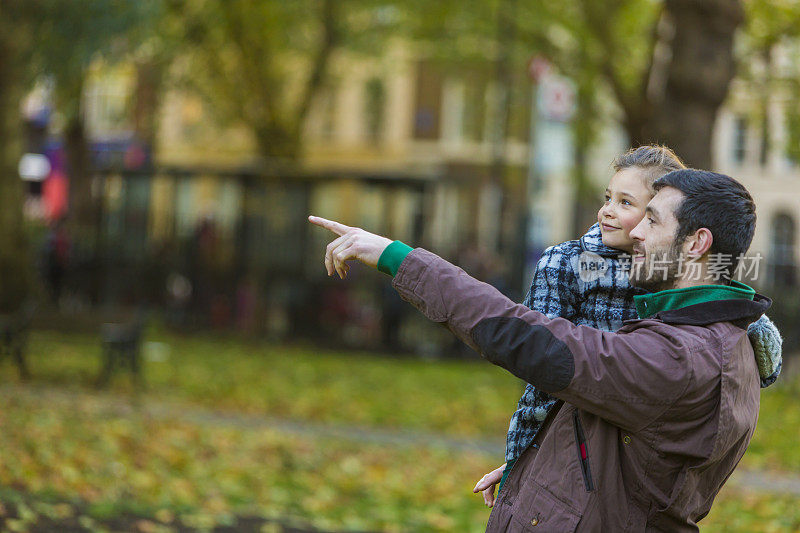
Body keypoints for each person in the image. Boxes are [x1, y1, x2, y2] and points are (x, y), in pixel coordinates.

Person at [308, 168, 776, 531]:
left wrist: (397, 257)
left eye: (652, 219)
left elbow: (526, 338)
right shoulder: (704, 335)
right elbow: (623, 446)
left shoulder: (678, 358)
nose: (634, 231)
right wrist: (539, 468)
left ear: (697, 244)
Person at [472, 147, 782, 508]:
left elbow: (726, 315)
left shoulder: (666, 271)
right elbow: (538, 358)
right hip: (563, 420)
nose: (607, 211)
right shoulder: (567, 262)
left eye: (626, 203)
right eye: (608, 198)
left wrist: (758, 334)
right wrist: (525, 457)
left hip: (632, 448)